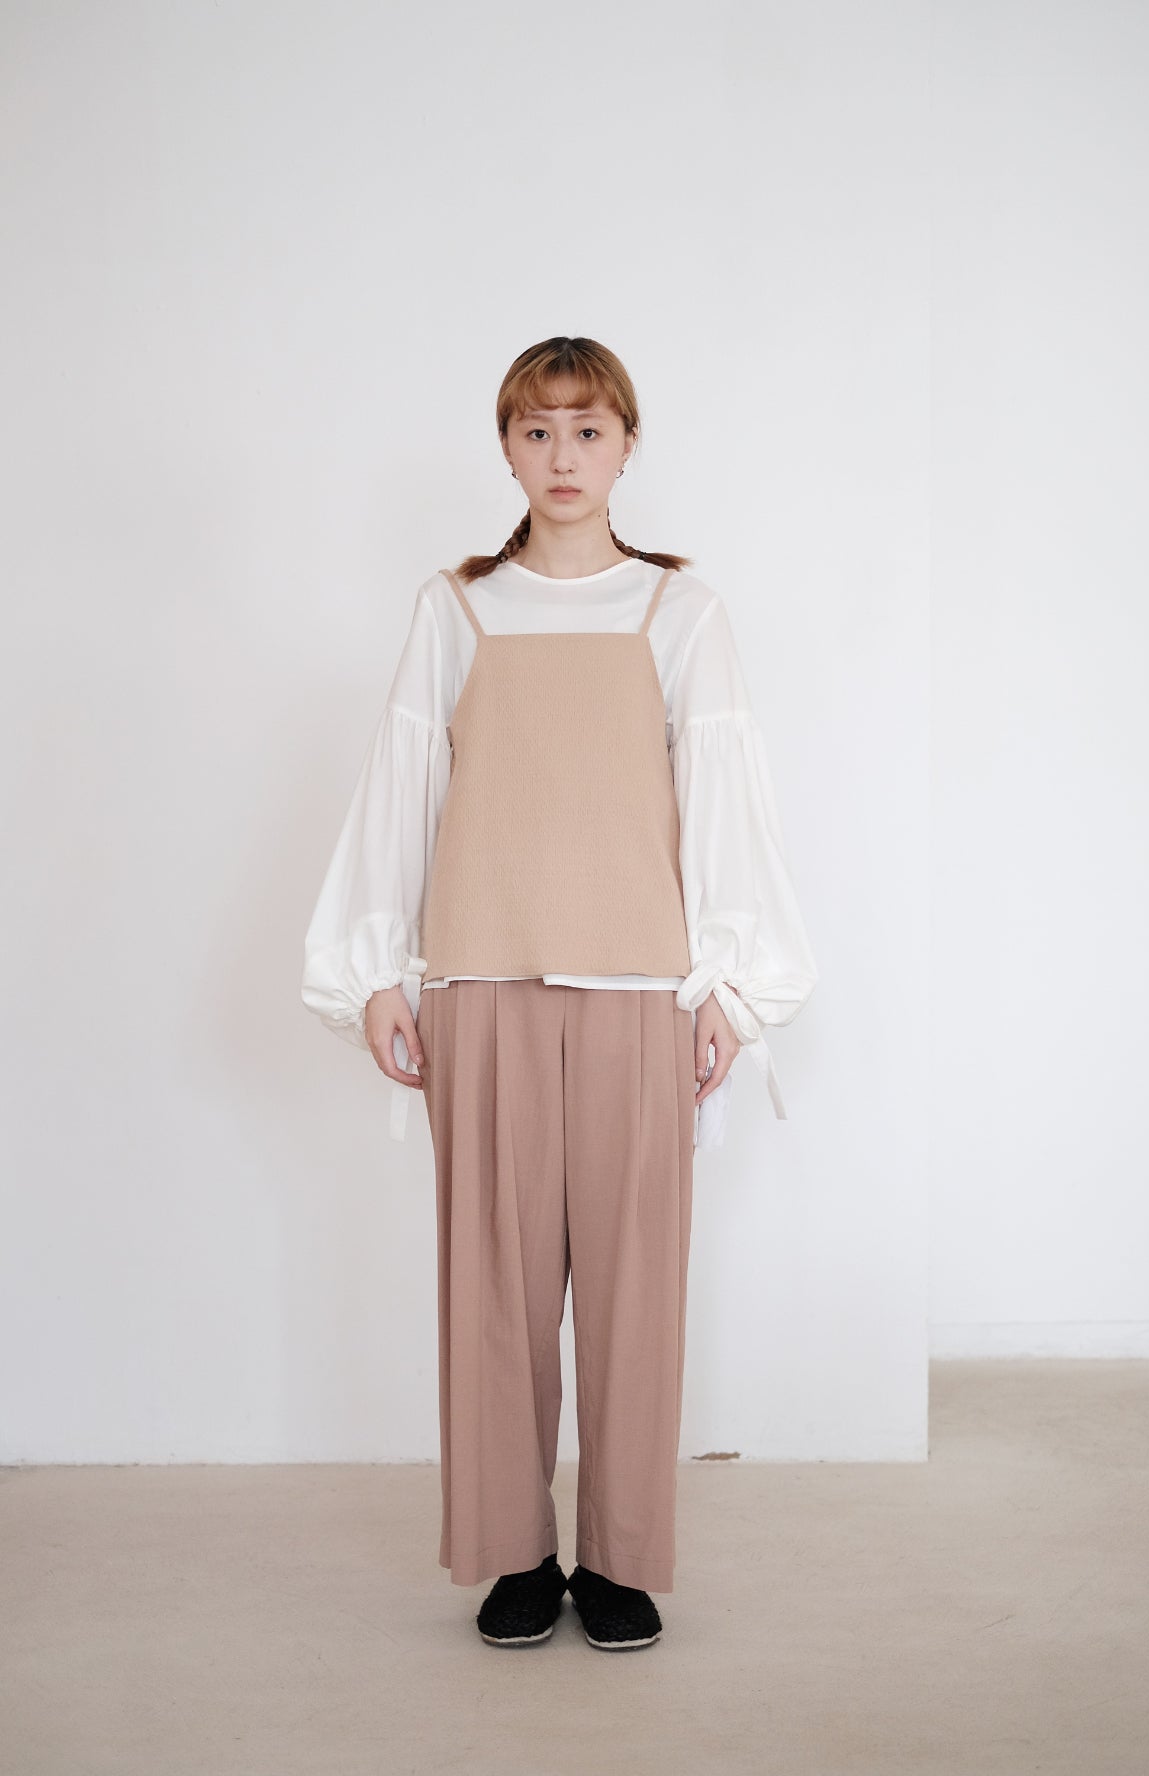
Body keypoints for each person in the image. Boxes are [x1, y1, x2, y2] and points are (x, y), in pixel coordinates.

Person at [301, 336, 819, 1651]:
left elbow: (723, 801)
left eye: (588, 431)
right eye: (537, 431)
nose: (563, 456)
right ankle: (516, 1555)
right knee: (496, 1294)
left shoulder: (680, 611)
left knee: (637, 1295)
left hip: (644, 992)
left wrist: (731, 988)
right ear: (507, 449)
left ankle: (622, 1559)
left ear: (628, 446)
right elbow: (401, 789)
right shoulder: (457, 608)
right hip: (481, 984)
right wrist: (375, 973)